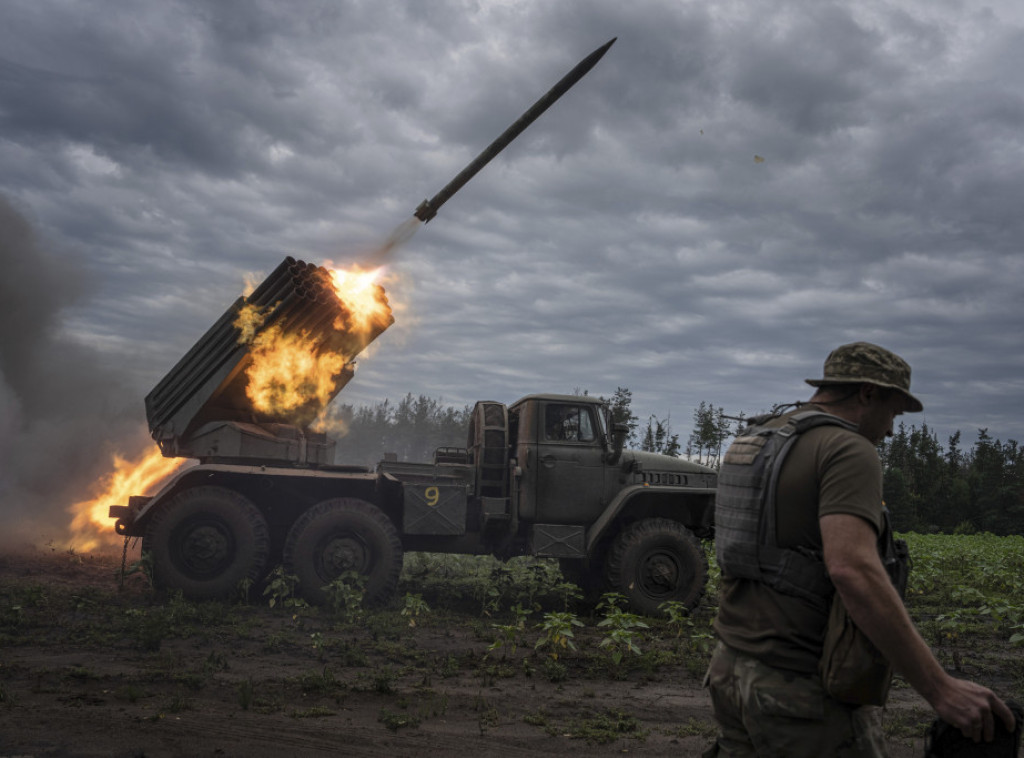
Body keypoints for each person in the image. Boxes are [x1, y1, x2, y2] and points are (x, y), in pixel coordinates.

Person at [704, 341, 1015, 757]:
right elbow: (853, 570)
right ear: (867, 393)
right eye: (893, 413)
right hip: (799, 690)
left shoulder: (758, 440)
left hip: (729, 671)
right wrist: (941, 689)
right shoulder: (846, 449)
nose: (890, 430)